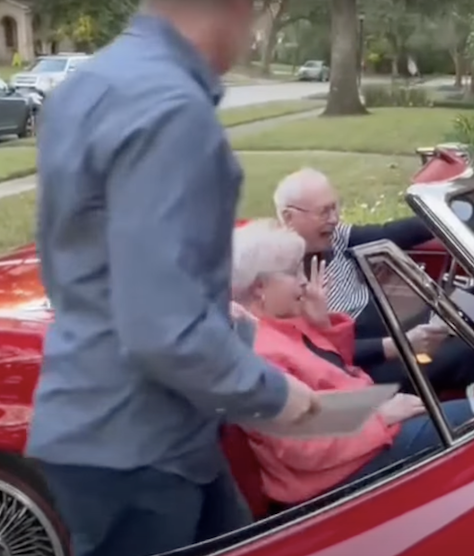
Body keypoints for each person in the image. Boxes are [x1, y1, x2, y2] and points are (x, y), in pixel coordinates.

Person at [26, 2, 320, 555]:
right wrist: (276, 393)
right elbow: (165, 328)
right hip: (142, 445)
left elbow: (79, 264)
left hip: (96, 421)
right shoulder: (173, 112)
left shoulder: (88, 84)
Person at [231, 220, 474, 504]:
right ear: (260, 287)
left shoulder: (279, 324)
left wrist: (320, 323)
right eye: (293, 271)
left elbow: (336, 371)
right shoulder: (258, 355)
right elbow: (301, 445)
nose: (303, 281)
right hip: (340, 471)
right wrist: (380, 417)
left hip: (363, 429)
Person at [274, 168, 474, 393]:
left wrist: (448, 215)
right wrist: (399, 345)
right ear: (289, 217)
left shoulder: (333, 237)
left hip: (395, 328)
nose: (335, 219)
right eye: (324, 212)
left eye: (335, 207)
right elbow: (314, 353)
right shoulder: (278, 278)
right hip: (366, 366)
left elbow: (389, 234)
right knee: (466, 352)